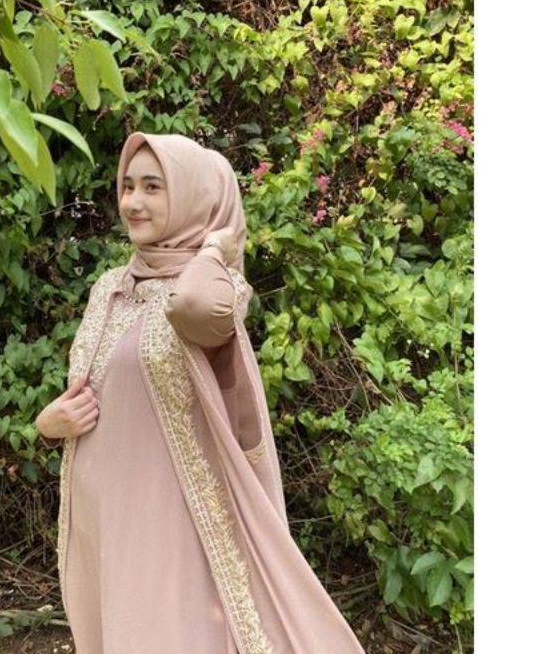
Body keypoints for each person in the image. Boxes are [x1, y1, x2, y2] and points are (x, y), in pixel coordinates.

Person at [34, 133, 366, 653]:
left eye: (153, 187)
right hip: (104, 518)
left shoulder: (214, 290)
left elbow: (193, 306)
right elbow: (95, 391)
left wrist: (214, 247)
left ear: (193, 196)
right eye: (127, 186)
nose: (133, 202)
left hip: (170, 521)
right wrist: (47, 424)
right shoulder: (110, 286)